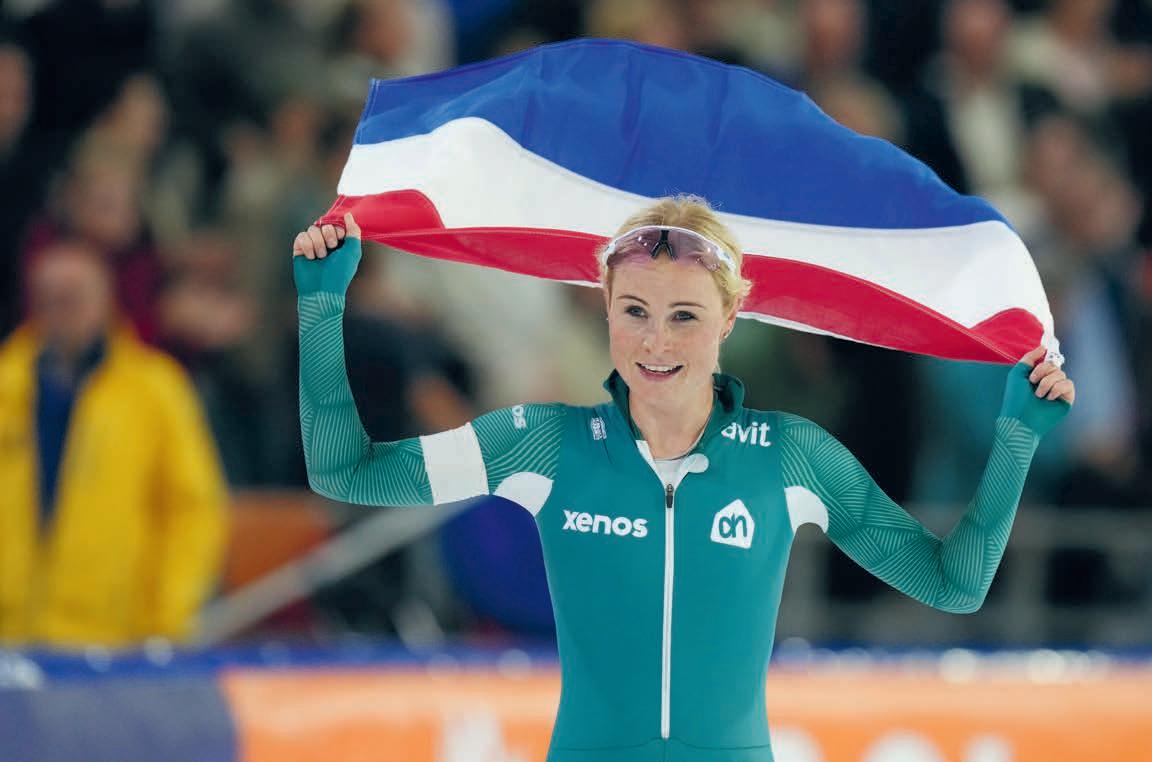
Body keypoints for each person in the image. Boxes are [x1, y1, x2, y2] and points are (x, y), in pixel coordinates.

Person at [292, 195, 1074, 761]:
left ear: (729, 319)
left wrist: (1015, 439)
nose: (655, 342)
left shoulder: (789, 456)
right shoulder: (544, 445)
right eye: (634, 310)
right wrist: (322, 309)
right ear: (605, 308)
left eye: (685, 316)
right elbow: (344, 471)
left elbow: (953, 584)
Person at [0, 240, 228, 648]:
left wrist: (168, 617)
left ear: (105, 301)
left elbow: (192, 508)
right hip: (11, 634)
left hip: (116, 638)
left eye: (73, 297)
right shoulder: (8, 384)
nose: (61, 311)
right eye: (49, 299)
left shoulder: (154, 389)